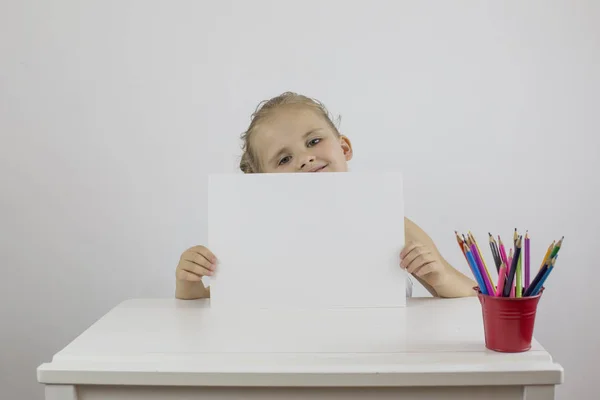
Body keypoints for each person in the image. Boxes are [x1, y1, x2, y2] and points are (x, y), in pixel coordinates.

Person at [175, 92, 476, 300]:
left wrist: (439, 279)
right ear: (260, 182)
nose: (305, 159)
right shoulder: (255, 239)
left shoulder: (386, 221)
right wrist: (189, 283)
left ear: (344, 148)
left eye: (314, 141)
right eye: (283, 159)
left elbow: (471, 294)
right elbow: (213, 306)